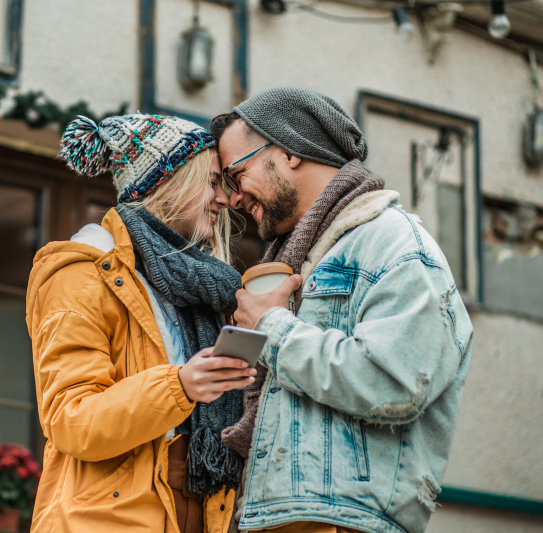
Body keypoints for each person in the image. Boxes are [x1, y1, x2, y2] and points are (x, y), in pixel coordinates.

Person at [211, 86, 473, 533]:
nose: (234, 199)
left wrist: (272, 329)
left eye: (237, 175)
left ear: (289, 150)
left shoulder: (395, 243)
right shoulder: (300, 256)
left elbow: (395, 381)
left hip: (343, 521)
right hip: (278, 516)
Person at [27, 113, 256, 533]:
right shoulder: (82, 272)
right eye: (211, 182)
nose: (224, 199)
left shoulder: (206, 286)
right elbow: (70, 419)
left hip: (199, 509)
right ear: (168, 183)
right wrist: (181, 385)